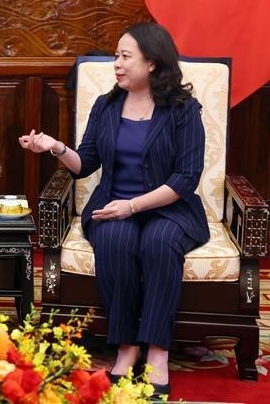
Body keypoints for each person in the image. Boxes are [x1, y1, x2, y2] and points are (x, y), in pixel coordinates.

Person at [19, 22, 209, 398]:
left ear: (152, 63)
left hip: (169, 208)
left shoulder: (183, 110)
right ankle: (126, 347)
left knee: (158, 242)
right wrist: (56, 147)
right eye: (116, 56)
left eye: (125, 57)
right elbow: (85, 163)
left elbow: (186, 178)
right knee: (116, 240)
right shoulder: (106, 106)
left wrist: (134, 206)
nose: (116, 64)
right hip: (111, 207)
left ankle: (157, 351)